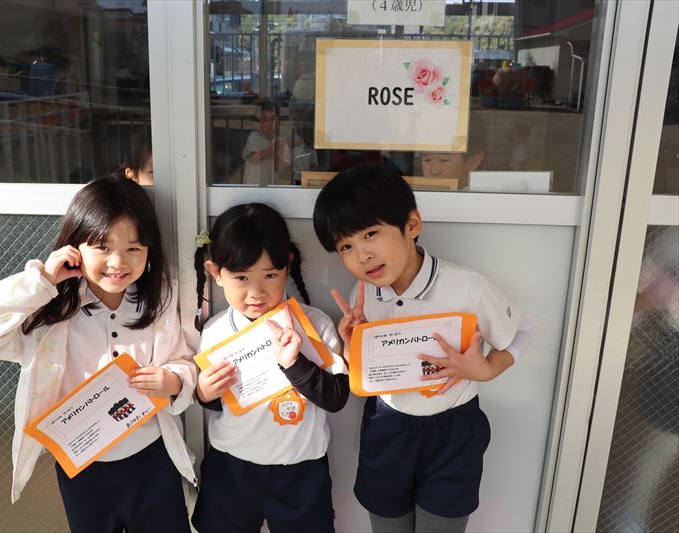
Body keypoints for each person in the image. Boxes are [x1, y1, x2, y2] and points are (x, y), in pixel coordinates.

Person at [0, 177, 197, 533]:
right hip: (83, 464)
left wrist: (174, 381)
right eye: (102, 247)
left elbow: (184, 359)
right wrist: (41, 281)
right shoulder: (53, 310)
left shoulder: (159, 300)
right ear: (74, 247)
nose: (118, 262)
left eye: (134, 248)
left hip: (151, 458)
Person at [312, 163, 533, 533]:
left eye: (370, 234)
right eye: (346, 246)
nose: (362, 255)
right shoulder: (362, 296)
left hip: (454, 432)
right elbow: (364, 376)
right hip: (387, 428)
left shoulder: (467, 287)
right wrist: (352, 347)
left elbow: (522, 331)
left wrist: (486, 370)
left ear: (412, 224)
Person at [191, 203, 349, 533]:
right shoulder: (215, 330)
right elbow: (222, 401)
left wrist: (294, 363)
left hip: (301, 470)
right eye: (241, 277)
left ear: (287, 265)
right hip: (231, 466)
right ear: (215, 272)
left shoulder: (315, 325)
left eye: (270, 275)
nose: (256, 292)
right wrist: (204, 393)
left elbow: (336, 398)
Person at [242, 100, 290, 186]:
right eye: (265, 120)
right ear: (258, 123)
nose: (270, 123)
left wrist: (278, 151)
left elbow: (279, 168)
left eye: (273, 119)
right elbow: (254, 158)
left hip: (271, 188)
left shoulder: (281, 141)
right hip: (252, 188)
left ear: (278, 122)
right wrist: (274, 147)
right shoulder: (254, 137)